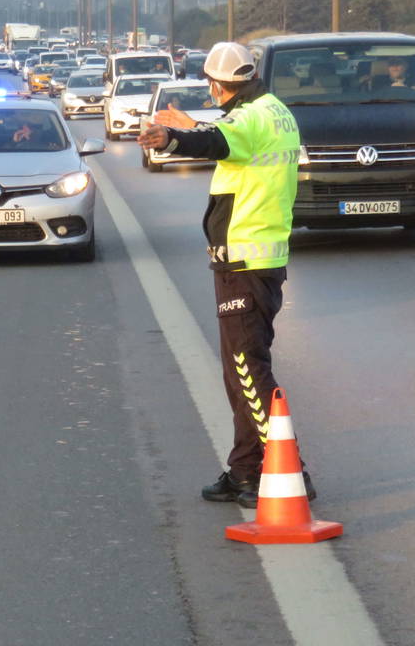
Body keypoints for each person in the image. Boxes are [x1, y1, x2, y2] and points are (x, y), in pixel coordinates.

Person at [138, 41, 314, 509]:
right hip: (262, 255)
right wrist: (190, 127)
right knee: (240, 369)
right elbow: (234, 138)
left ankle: (288, 469)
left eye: (211, 87)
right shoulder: (274, 110)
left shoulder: (247, 119)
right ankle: (243, 471)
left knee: (246, 368)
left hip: (244, 257)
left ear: (218, 85)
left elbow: (219, 140)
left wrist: (171, 140)